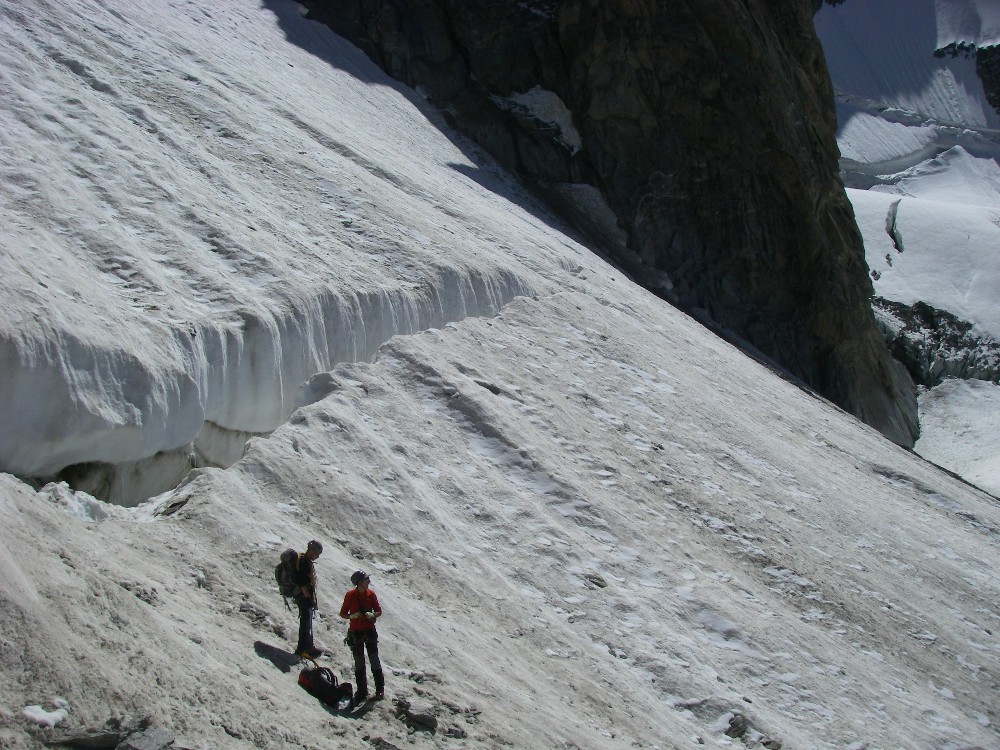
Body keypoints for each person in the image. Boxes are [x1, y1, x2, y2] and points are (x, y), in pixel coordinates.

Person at [340, 570, 384, 701]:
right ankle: (362, 691)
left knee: (373, 660)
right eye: (366, 580)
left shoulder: (371, 594)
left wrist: (373, 614)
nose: (368, 582)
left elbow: (378, 611)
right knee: (360, 662)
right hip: (357, 632)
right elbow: (343, 613)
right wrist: (351, 616)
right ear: (359, 582)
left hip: (367, 630)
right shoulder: (350, 595)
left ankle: (379, 689)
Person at [294, 540, 323, 659]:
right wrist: (308, 596)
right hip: (303, 596)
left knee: (306, 622)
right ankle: (302, 648)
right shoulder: (304, 562)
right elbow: (301, 581)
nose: (317, 556)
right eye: (317, 553)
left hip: (304, 596)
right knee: (305, 623)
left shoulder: (304, 560)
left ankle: (308, 646)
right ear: (312, 551)